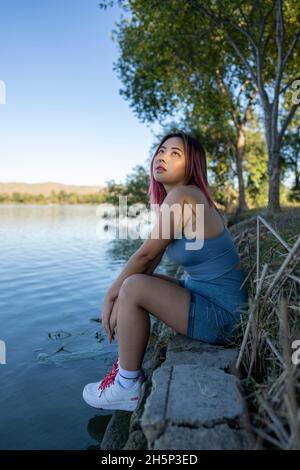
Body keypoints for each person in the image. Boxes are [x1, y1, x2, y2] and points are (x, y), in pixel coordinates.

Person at [82, 130, 249, 412]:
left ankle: (126, 386)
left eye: (175, 154)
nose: (163, 157)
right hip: (208, 297)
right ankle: (125, 372)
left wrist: (111, 296)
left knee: (132, 287)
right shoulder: (183, 198)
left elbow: (146, 254)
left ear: (191, 165)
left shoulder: (184, 196)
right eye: (161, 150)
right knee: (135, 284)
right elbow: (152, 259)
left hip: (225, 317)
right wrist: (119, 294)